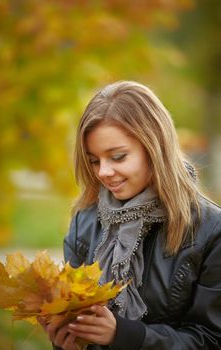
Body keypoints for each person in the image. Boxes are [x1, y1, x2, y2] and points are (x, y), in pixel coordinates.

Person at [43, 81, 221, 349]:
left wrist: (125, 335)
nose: (102, 172)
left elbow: (210, 340)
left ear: (155, 148)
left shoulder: (210, 230)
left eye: (117, 157)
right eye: (94, 161)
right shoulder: (85, 221)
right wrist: (68, 340)